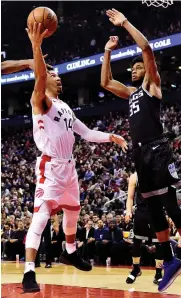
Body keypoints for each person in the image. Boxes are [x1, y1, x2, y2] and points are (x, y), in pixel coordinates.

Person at [101, 8, 181, 292]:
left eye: (137, 68)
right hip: (139, 154)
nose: (133, 70)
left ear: (147, 71)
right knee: (155, 209)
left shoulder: (152, 86)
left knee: (170, 204)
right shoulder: (132, 94)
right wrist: (107, 52)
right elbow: (106, 83)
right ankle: (170, 260)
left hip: (157, 150)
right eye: (131, 68)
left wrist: (125, 24)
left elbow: (146, 48)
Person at [22, 22, 127, 293]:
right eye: (54, 75)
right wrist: (36, 46)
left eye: (59, 76)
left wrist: (111, 137)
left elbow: (87, 132)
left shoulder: (65, 107)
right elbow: (40, 76)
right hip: (50, 166)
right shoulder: (40, 102)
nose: (58, 78)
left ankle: (70, 251)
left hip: (69, 167)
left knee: (74, 210)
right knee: (41, 218)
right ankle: (29, 272)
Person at [125, 172, 163, 285]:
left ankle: (158, 273)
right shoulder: (135, 176)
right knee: (136, 242)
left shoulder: (159, 173)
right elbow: (130, 197)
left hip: (156, 210)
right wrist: (128, 211)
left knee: (159, 243)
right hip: (141, 211)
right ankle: (135, 269)